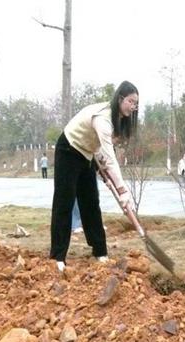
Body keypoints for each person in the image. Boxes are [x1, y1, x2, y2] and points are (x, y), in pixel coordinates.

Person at [50, 81, 138, 272]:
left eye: (135, 104)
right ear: (121, 98)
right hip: (68, 149)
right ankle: (57, 256)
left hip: (87, 154)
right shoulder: (103, 118)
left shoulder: (116, 119)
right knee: (64, 202)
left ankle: (100, 252)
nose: (133, 107)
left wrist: (103, 170)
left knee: (91, 202)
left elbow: (99, 149)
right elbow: (110, 156)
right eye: (130, 101)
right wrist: (122, 189)